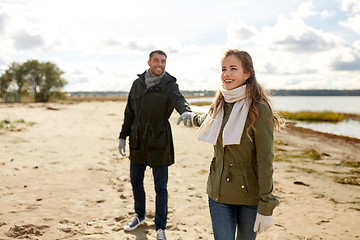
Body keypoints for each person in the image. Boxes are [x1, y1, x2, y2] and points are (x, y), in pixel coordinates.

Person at [179, 49, 282, 239]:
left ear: (247, 73)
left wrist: (266, 204)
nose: (226, 74)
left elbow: (265, 160)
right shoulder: (220, 103)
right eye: (224, 69)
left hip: (249, 197)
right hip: (218, 193)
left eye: (233, 69)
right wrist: (191, 118)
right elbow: (209, 119)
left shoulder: (259, 109)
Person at [118, 50, 193, 240]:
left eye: (163, 61)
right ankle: (139, 216)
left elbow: (178, 98)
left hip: (159, 140)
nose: (160, 64)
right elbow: (129, 112)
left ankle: (160, 228)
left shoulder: (169, 83)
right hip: (137, 140)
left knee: (161, 188)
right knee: (136, 182)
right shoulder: (137, 84)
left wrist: (185, 111)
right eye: (156, 61)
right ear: (149, 62)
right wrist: (122, 136)